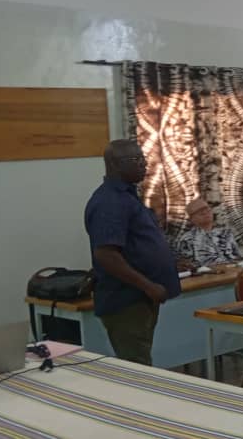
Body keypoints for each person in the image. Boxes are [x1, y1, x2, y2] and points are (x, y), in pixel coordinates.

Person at [84, 139, 181, 365]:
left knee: (141, 358)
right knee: (137, 367)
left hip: (141, 298)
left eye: (143, 159)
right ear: (114, 165)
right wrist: (148, 285)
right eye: (136, 160)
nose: (144, 165)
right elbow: (106, 254)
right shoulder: (109, 202)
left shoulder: (128, 196)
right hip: (126, 299)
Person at [175, 198, 241, 268]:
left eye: (206, 208)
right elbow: (188, 268)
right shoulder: (186, 239)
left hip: (235, 272)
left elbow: (238, 257)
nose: (205, 212)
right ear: (191, 219)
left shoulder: (226, 232)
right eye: (199, 211)